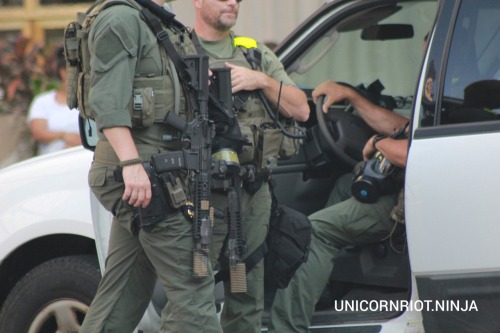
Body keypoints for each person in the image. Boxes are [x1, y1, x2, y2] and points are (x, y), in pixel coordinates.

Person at [78, 0, 222, 332]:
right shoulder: (121, 19)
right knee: (193, 288)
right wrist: (131, 164)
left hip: (154, 172)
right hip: (141, 174)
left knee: (124, 292)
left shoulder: (153, 21)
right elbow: (107, 101)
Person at [191, 0, 309, 332]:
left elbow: (301, 110)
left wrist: (260, 80)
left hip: (251, 193)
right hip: (199, 197)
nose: (233, 2)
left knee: (246, 295)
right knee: (192, 294)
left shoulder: (254, 54)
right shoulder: (177, 50)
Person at [268, 80, 409, 332]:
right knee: (347, 182)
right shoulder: (440, 93)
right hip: (403, 186)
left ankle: (286, 327)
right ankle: (318, 287)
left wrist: (379, 143)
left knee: (316, 231)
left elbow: (411, 152)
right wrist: (351, 96)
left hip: (406, 200)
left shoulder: (450, 107)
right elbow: (401, 126)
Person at [27, 47, 81, 155]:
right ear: (63, 72)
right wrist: (65, 136)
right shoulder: (43, 101)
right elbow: (38, 132)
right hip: (52, 160)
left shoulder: (90, 101)